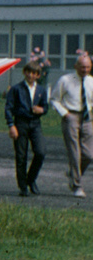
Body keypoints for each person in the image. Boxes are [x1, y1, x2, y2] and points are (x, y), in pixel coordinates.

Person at [50, 49, 93, 198]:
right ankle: (76, 185)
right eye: (82, 67)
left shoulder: (91, 81)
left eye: (87, 67)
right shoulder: (65, 80)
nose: (85, 70)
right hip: (71, 117)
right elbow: (54, 99)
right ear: (75, 66)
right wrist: (65, 113)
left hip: (87, 118)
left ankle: (73, 172)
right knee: (74, 153)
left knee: (89, 154)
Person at [6, 58, 49, 195]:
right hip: (21, 123)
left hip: (35, 124)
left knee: (40, 151)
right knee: (21, 155)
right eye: (29, 72)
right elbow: (8, 108)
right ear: (25, 73)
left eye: (34, 73)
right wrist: (11, 125)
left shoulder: (41, 90)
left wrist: (41, 110)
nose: (31, 75)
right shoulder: (16, 89)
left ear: (38, 75)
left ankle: (31, 179)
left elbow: (45, 107)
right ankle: (23, 186)